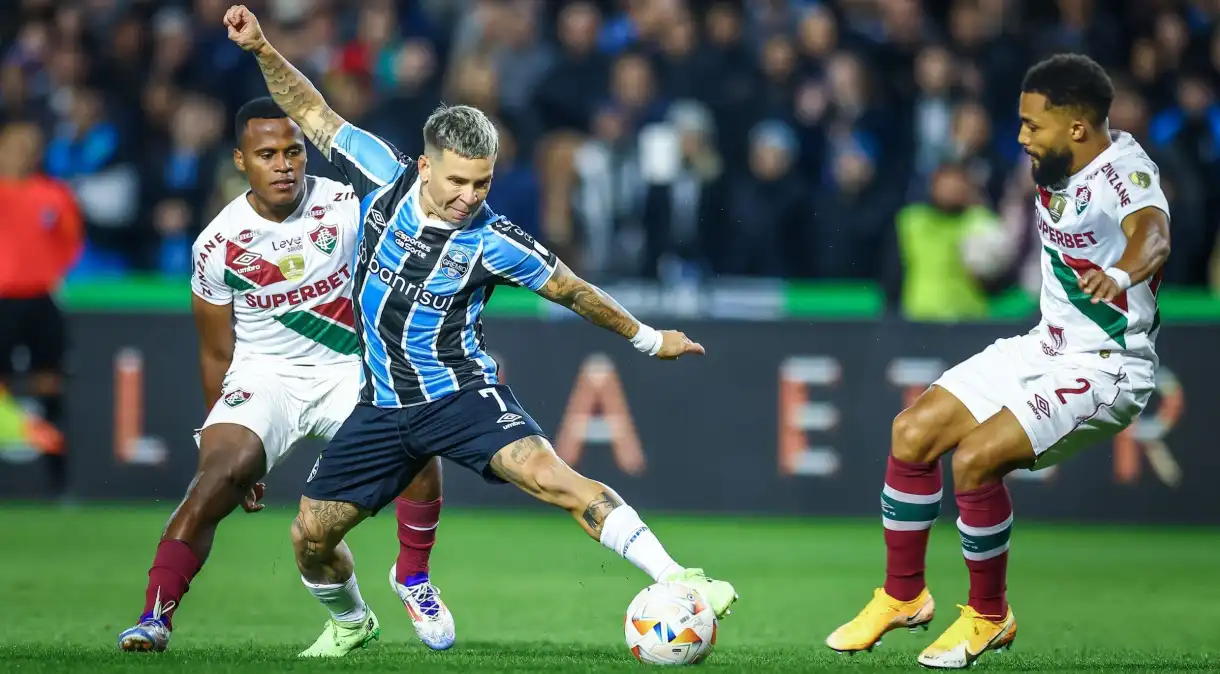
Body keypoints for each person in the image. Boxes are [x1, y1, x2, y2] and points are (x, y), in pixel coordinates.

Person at [223, 4, 738, 631]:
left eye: (484, 184)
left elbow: (574, 292)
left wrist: (649, 339)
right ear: (425, 166)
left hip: (460, 394)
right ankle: (355, 621)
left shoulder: (496, 241)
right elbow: (311, 110)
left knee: (553, 478)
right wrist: (260, 48)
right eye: (460, 181)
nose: (471, 197)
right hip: (381, 404)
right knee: (310, 535)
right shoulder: (381, 175)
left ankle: (679, 577)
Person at [825, 53, 1170, 669]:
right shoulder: (1051, 162)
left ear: (1078, 128)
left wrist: (1120, 273)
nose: (1020, 136)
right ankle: (904, 596)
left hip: (1108, 366)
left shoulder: (1126, 174)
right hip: (1045, 344)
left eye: (1033, 125)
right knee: (912, 432)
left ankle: (989, 615)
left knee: (977, 460)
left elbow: (1154, 234)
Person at [118, 98, 456, 656]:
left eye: (294, 151)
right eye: (267, 154)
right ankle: (154, 617)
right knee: (213, 481)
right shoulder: (217, 242)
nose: (284, 164)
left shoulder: (347, 204)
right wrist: (216, 434)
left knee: (416, 428)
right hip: (266, 375)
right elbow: (214, 352)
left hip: (350, 367)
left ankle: (414, 578)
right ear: (240, 161)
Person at [0, 121, 82, 500]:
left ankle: (59, 482)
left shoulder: (53, 194)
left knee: (50, 385)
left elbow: (70, 243)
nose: (22, 153)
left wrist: (46, 271)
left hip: (39, 300)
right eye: (15, 145)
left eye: (29, 146)